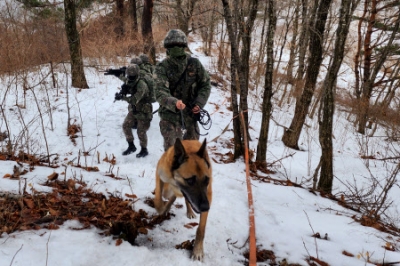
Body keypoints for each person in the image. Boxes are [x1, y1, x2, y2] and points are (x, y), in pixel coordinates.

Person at [154, 29, 211, 151]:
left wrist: (198, 104)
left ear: (184, 46)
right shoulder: (162, 67)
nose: (176, 47)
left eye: (179, 45)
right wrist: (174, 103)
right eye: (172, 45)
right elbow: (159, 91)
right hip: (170, 116)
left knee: (193, 153)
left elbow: (205, 84)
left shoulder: (194, 64)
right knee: (173, 154)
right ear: (167, 47)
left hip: (190, 116)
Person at [117, 64, 153, 157]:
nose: (130, 77)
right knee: (126, 125)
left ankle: (144, 149)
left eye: (132, 76)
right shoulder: (131, 79)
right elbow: (127, 81)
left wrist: (122, 97)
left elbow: (134, 100)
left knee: (141, 131)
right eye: (129, 75)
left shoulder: (142, 85)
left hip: (144, 110)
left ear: (137, 74)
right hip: (134, 109)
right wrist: (119, 75)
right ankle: (131, 146)